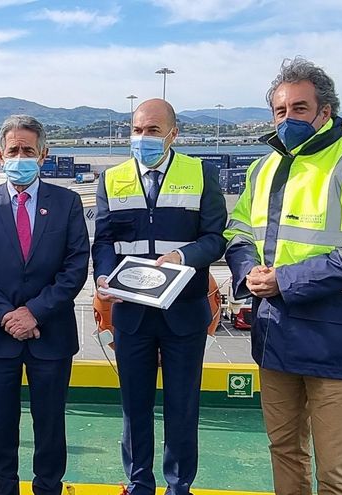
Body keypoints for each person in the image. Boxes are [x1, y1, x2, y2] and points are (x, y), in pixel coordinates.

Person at [223, 57, 342, 495]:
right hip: (274, 332)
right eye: (280, 110)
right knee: (284, 449)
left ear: (326, 111)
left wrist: (283, 281)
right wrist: (249, 272)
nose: (288, 118)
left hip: (337, 335)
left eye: (300, 108)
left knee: (337, 471)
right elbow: (237, 232)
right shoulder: (262, 169)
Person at [92, 98, 226, 495]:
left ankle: (179, 485)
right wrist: (102, 275)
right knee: (134, 408)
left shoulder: (202, 173)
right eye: (137, 130)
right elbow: (103, 240)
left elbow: (215, 238)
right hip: (131, 314)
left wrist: (182, 256)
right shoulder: (111, 179)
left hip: (184, 311)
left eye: (153, 130)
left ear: (173, 133)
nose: (144, 138)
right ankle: (138, 484)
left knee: (182, 407)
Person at [0, 115, 89, 495]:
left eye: (28, 150)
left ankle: (48, 487)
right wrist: (6, 316)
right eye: (13, 150)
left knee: (49, 424)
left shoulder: (66, 203)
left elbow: (75, 266)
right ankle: (4, 488)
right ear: (0, 155)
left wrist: (34, 312)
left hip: (50, 335)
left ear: (43, 155)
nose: (20, 156)